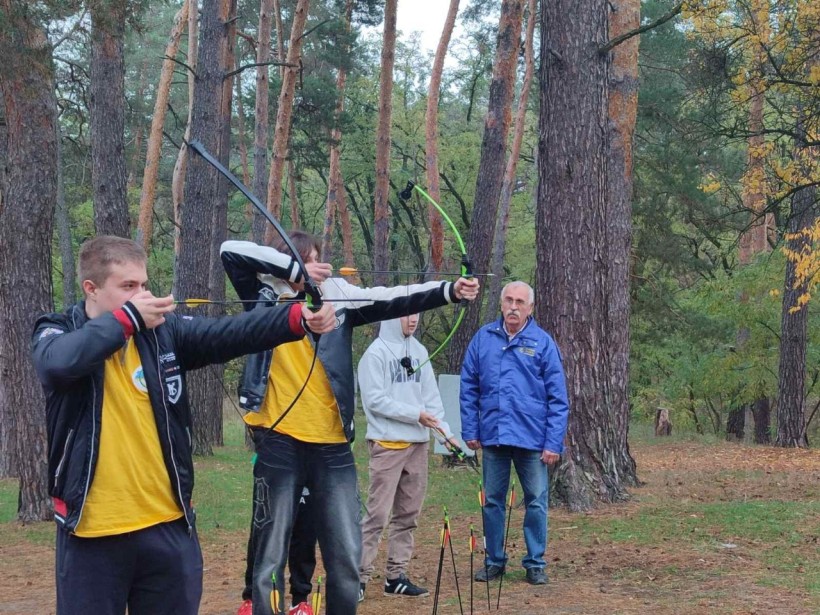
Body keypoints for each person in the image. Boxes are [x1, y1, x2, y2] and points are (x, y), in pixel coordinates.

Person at [31, 235, 337, 615]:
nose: (141, 295)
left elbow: (228, 333)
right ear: (90, 289)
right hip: (91, 533)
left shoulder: (163, 333)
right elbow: (58, 364)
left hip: (167, 527)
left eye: (143, 285)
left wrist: (295, 318)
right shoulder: (57, 330)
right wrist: (126, 320)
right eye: (128, 287)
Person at [220, 233, 480, 615]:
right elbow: (230, 250)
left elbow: (394, 295)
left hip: (332, 446)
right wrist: (293, 271)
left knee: (345, 553)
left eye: (312, 264)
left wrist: (449, 291)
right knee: (270, 552)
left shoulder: (337, 295)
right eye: (300, 264)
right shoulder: (264, 293)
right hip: (278, 439)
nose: (308, 276)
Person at [459, 281, 569, 586]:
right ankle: (494, 561)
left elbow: (558, 398)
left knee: (536, 500)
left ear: (530, 308)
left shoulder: (543, 343)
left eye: (520, 302)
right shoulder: (483, 339)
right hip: (493, 437)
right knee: (492, 501)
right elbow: (468, 387)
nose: (513, 307)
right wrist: (470, 428)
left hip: (532, 440)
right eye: (509, 300)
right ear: (502, 304)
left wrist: (553, 442)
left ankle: (535, 562)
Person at [357, 315, 458, 602]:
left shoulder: (420, 351)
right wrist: (415, 415)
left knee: (408, 514)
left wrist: (445, 434)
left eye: (416, 314)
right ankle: (358, 577)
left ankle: (396, 577)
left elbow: (431, 399)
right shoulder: (374, 354)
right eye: (406, 314)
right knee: (377, 514)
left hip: (418, 445)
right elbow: (374, 400)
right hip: (388, 444)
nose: (412, 319)